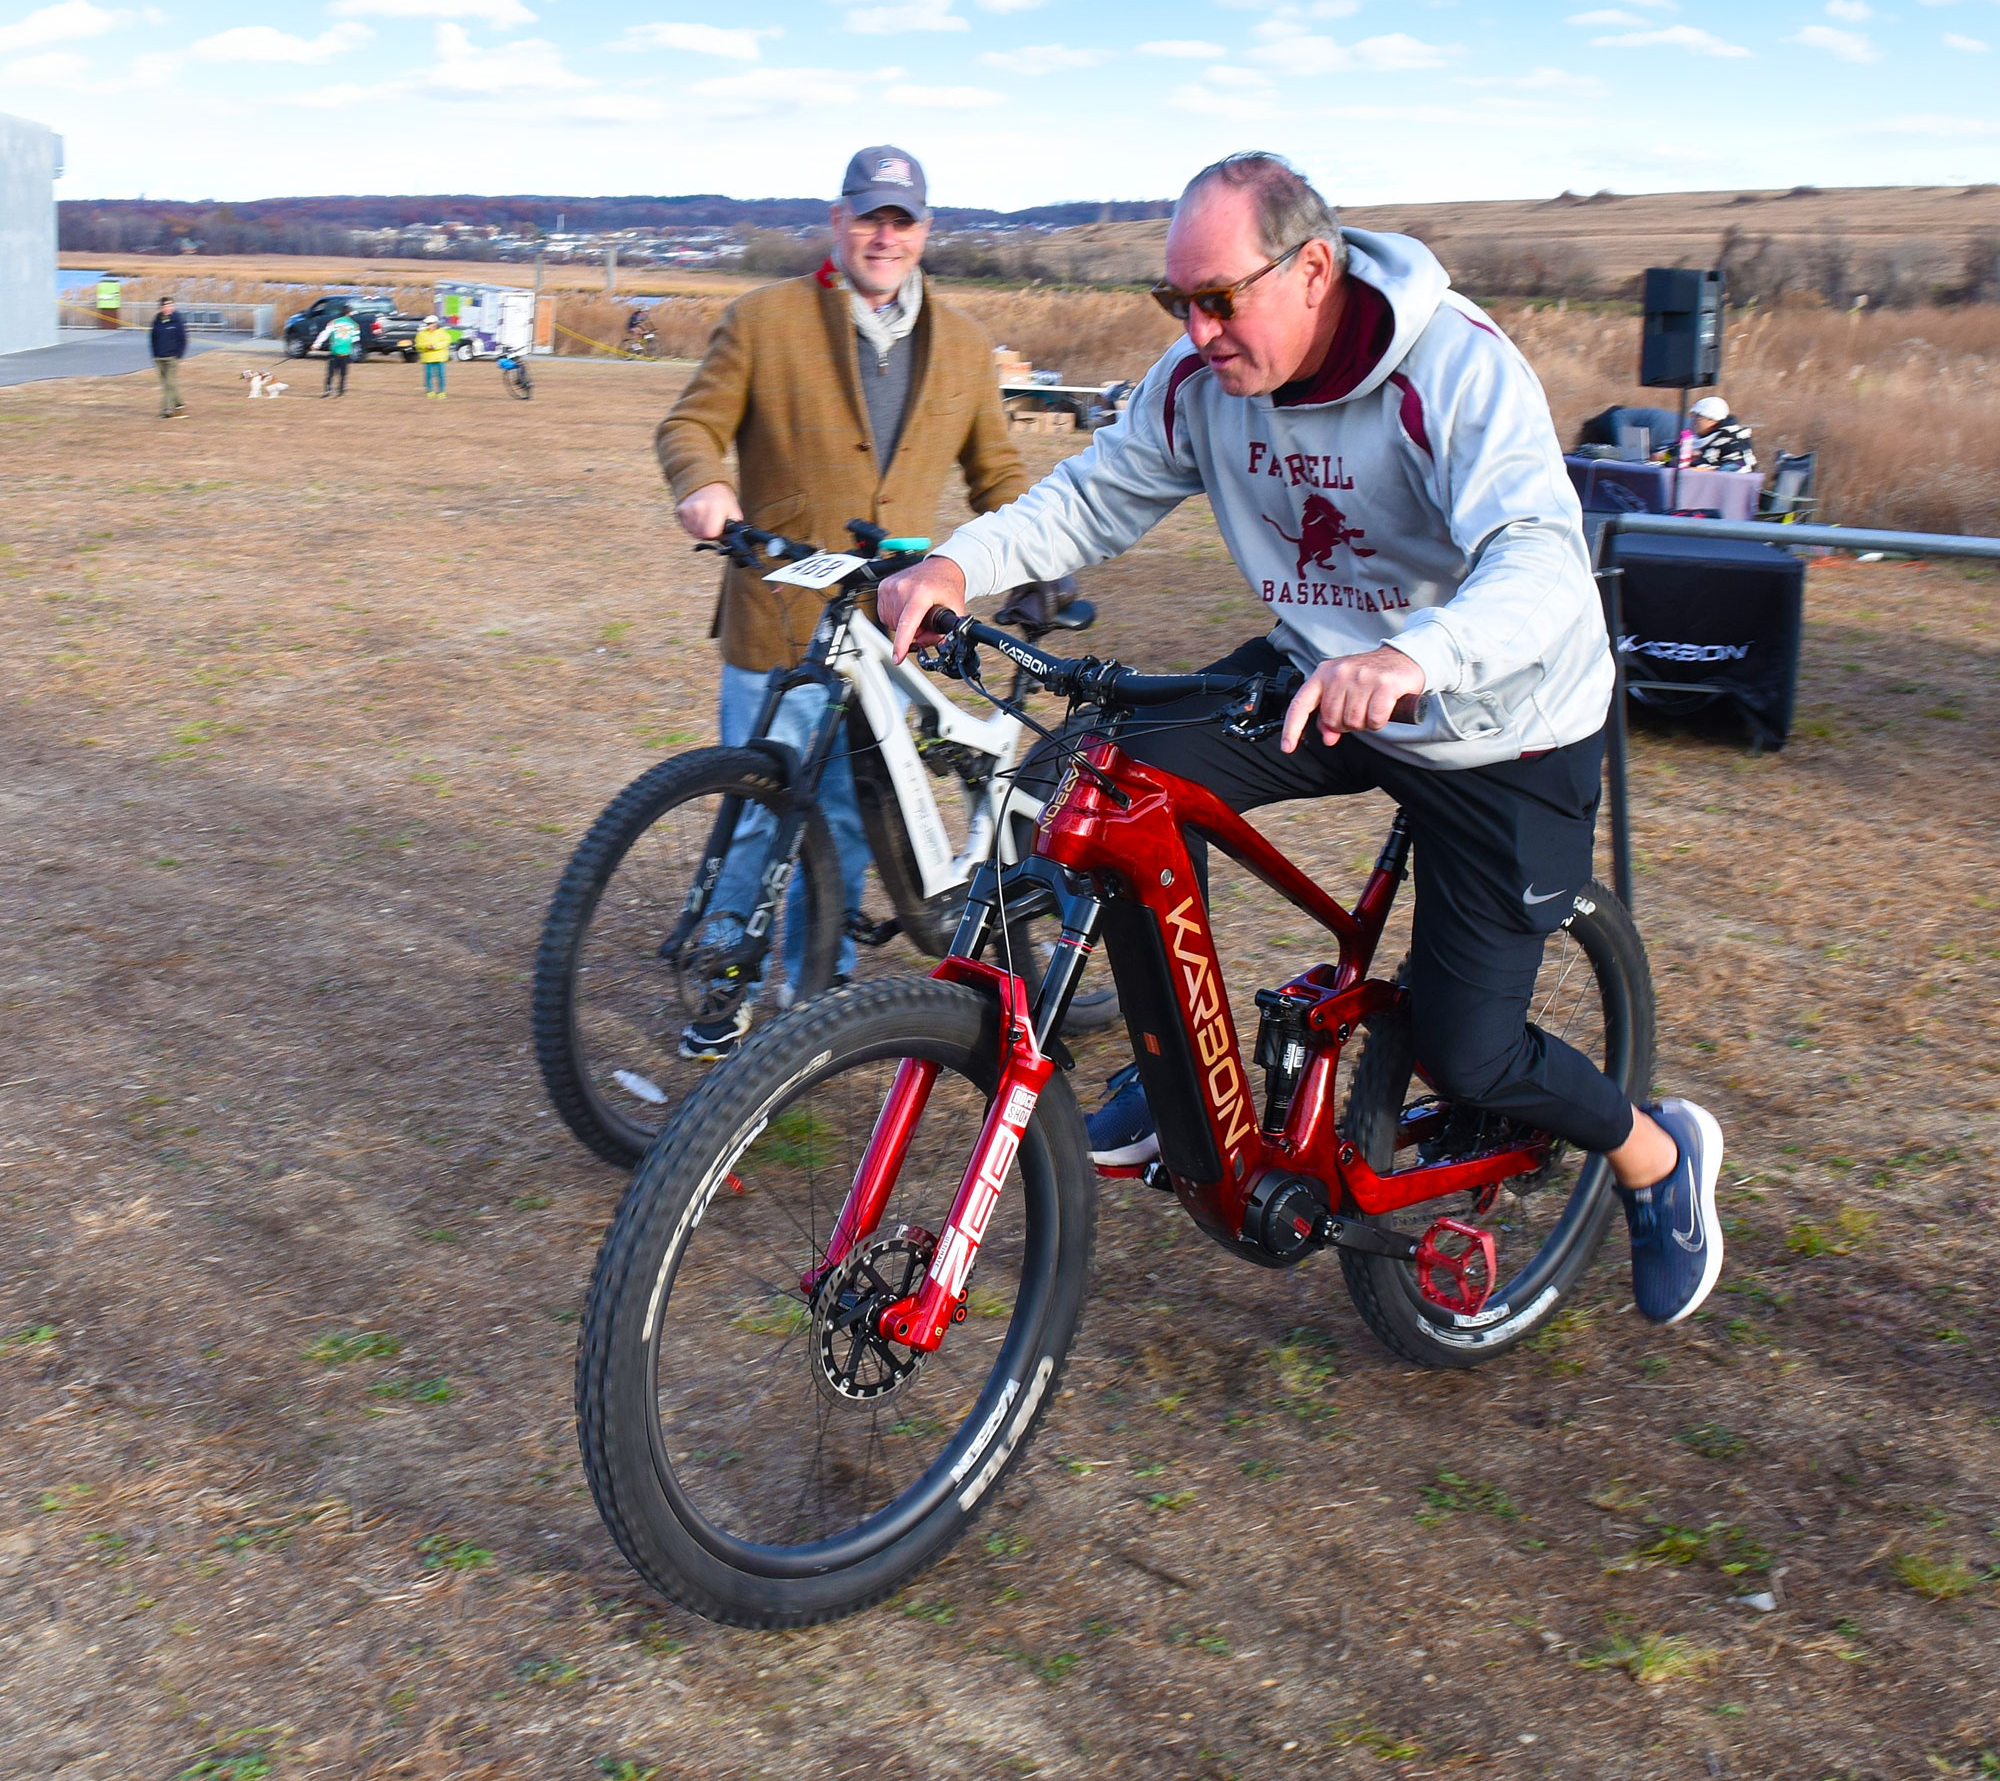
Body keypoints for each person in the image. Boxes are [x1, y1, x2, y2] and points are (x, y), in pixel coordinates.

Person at [880, 152, 1726, 1326]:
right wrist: (956, 561)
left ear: (1313, 267)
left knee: (1464, 1053)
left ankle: (1656, 1155)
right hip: (1321, 678)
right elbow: (1092, 494)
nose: (1196, 327)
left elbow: (1538, 556)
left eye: (1217, 297)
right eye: (1174, 301)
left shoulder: (1452, 368)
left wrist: (1411, 655)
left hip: (1499, 722)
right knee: (1094, 778)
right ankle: (1179, 1076)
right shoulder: (1199, 381)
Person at [654, 143, 1036, 1058]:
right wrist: (703, 486)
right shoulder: (763, 319)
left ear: (925, 232)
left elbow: (998, 472)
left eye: (902, 220)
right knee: (759, 804)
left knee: (848, 816)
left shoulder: (967, 346)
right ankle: (725, 977)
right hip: (777, 617)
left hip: (888, 633)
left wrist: (1038, 559)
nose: (884, 235)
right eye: (869, 216)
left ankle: (814, 989)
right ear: (838, 221)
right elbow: (691, 425)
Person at [1687, 394, 1754, 470]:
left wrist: (1700, 469)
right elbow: (1671, 454)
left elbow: (1740, 466)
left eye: (1698, 417)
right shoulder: (1690, 439)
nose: (1694, 420)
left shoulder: (1732, 442)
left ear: (1712, 419)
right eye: (1693, 416)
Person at [150, 297, 188, 419]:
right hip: (159, 358)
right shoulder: (157, 321)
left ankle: (167, 410)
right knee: (168, 384)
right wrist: (155, 354)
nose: (168, 308)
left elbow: (183, 339)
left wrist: (178, 354)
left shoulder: (178, 321)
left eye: (170, 305)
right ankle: (179, 404)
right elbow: (153, 339)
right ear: (161, 308)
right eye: (165, 306)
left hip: (172, 358)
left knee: (169, 383)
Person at [314, 307, 360, 396]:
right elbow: (355, 340)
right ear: (349, 313)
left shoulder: (333, 322)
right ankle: (341, 390)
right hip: (346, 352)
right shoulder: (355, 325)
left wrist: (317, 344)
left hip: (334, 351)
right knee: (343, 373)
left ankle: (328, 390)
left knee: (330, 373)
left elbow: (324, 334)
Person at [415, 314, 451, 399]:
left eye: (431, 323)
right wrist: (426, 346)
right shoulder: (421, 334)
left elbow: (447, 341)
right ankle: (430, 391)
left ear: (435, 323)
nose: (430, 325)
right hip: (428, 358)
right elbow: (418, 345)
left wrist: (436, 346)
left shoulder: (442, 332)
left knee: (441, 375)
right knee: (428, 376)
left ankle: (441, 391)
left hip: (440, 357)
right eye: (428, 324)